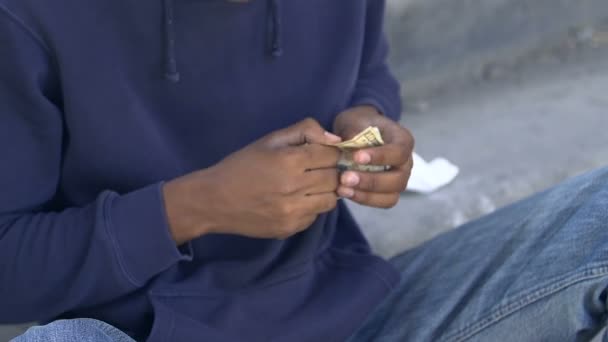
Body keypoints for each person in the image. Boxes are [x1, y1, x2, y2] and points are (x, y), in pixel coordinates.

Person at [1, 0, 606, 341]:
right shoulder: (28, 19)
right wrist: (194, 206)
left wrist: (368, 124)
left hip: (352, 317)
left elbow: (367, 69)